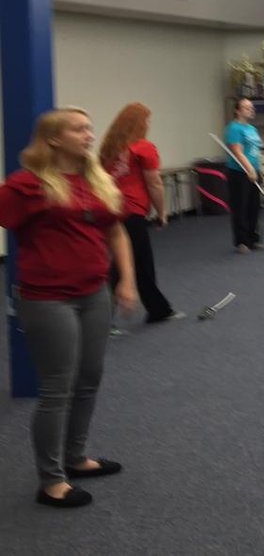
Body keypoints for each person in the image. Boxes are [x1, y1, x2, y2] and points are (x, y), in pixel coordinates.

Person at [0, 108, 138, 509]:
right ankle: (51, 480)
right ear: (54, 138)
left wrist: (126, 281)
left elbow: (115, 231)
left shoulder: (96, 181)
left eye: (90, 128)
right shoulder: (27, 186)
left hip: (93, 292)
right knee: (57, 387)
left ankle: (76, 458)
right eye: (79, 129)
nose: (89, 134)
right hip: (47, 298)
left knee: (89, 378)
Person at [99, 103, 183, 324]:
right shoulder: (144, 147)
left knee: (135, 262)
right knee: (126, 266)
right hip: (133, 212)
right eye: (146, 120)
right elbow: (154, 183)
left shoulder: (109, 149)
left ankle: (158, 309)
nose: (148, 124)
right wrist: (162, 212)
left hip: (112, 210)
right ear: (138, 123)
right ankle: (100, 319)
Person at [224, 97, 264, 254]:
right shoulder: (234, 128)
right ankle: (242, 242)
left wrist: (257, 169)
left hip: (254, 170)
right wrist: (249, 169)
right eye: (247, 108)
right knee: (240, 207)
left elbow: (255, 151)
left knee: (255, 206)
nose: (251, 110)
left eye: (251, 107)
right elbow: (237, 151)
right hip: (239, 173)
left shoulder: (252, 129)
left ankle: (253, 239)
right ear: (238, 111)